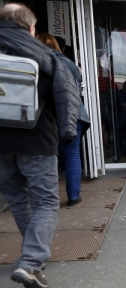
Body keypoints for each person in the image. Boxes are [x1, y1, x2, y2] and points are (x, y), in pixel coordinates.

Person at [0, 3, 79, 288]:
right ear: (32, 27)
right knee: (45, 201)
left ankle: (32, 258)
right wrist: (68, 131)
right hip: (37, 139)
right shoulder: (44, 56)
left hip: (1, 146)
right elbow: (66, 97)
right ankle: (31, 262)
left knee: (18, 200)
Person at [37, 33, 91, 206]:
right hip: (77, 114)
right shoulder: (69, 63)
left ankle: (46, 200)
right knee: (72, 155)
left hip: (55, 115)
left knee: (49, 156)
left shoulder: (41, 64)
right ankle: (74, 196)